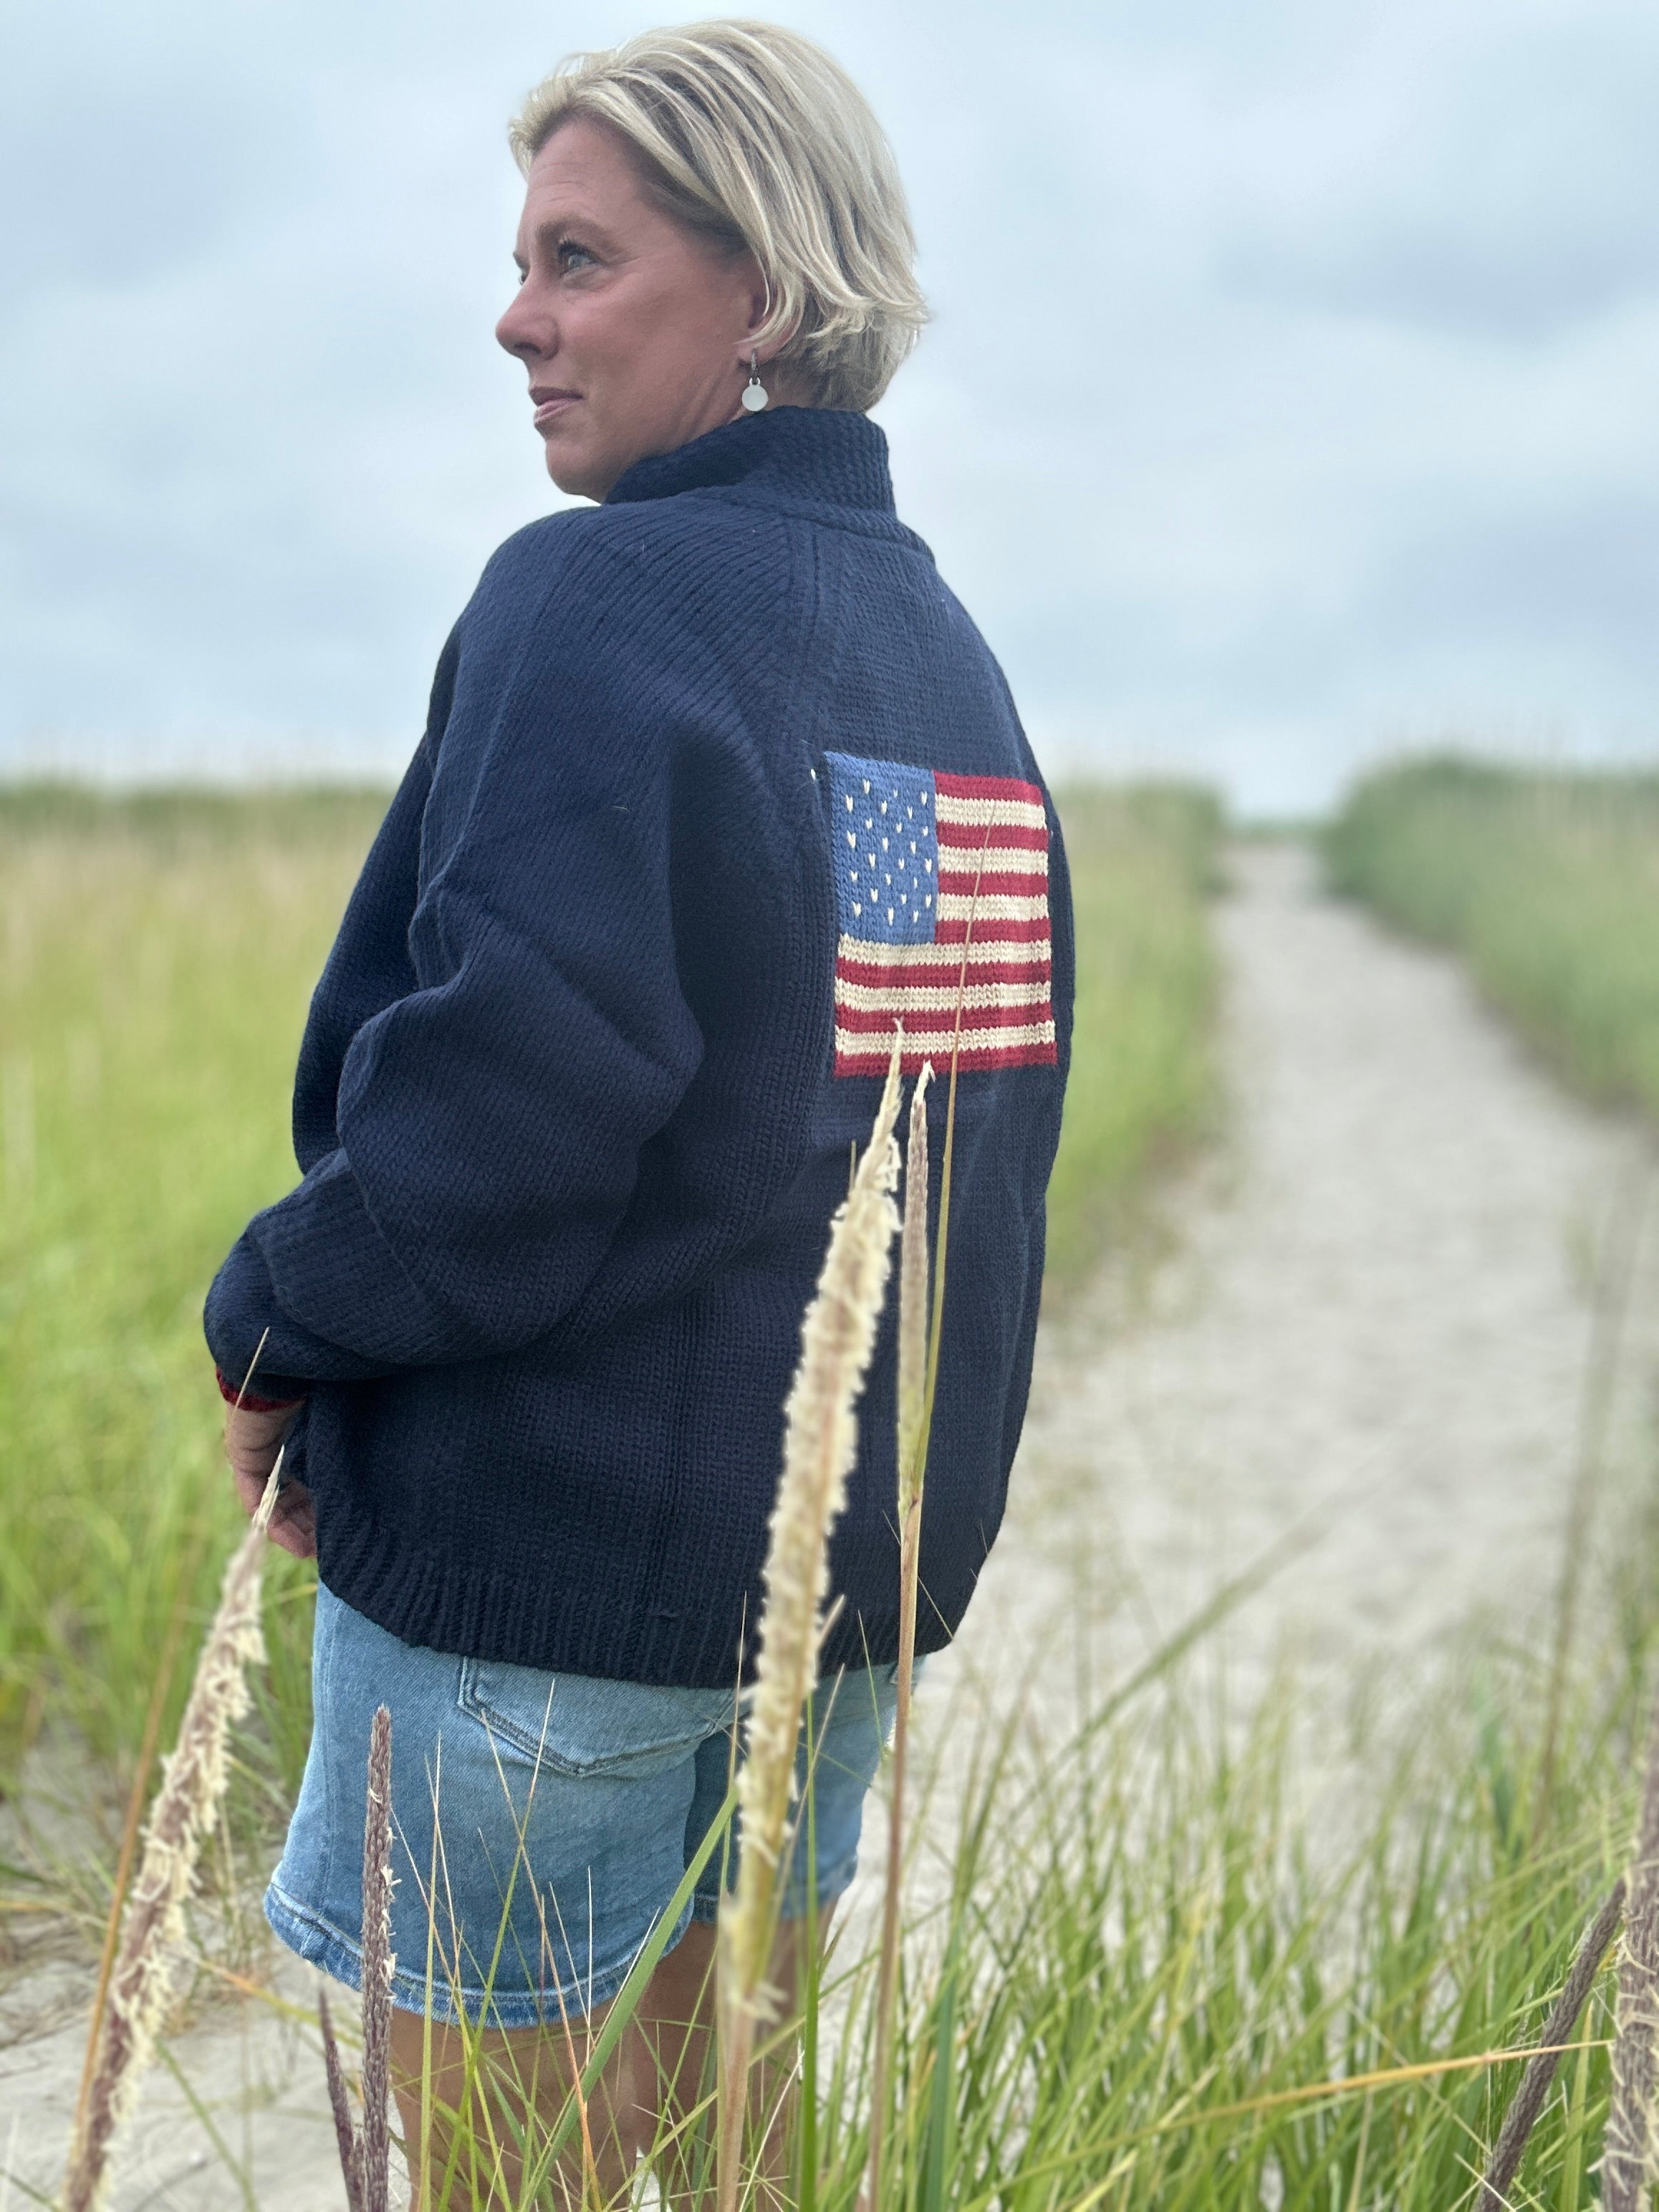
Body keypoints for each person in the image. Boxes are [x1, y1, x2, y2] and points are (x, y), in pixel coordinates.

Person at [206, 17, 1073, 2198]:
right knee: (734, 2159)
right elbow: (933, 1121)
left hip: (543, 1583)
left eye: (578, 259)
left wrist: (277, 1324)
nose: (515, 317)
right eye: (524, 260)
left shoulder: (590, 600)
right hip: (829, 1589)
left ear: (763, 291)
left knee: (506, 2182)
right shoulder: (936, 648)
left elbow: (507, 1111)